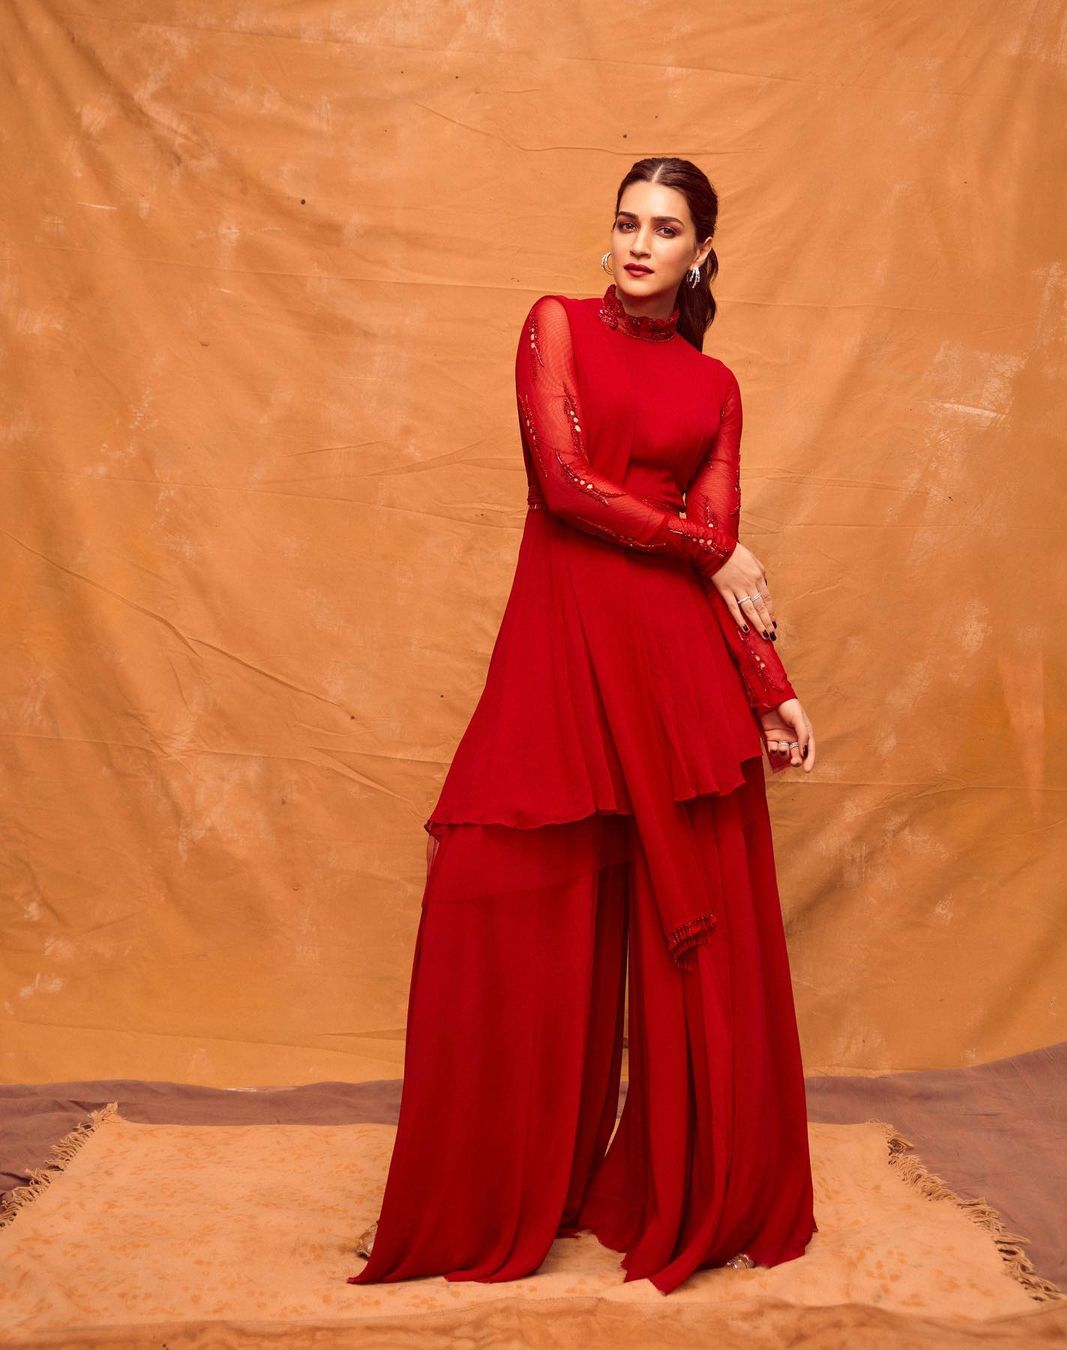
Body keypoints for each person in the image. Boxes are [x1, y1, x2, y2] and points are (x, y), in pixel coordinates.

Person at [347, 156, 818, 1296]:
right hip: (564, 644)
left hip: (673, 668)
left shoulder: (715, 386)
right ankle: (478, 1195)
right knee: (499, 887)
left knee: (695, 930)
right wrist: (710, 548)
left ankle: (693, 1191)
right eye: (626, 222)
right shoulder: (553, 324)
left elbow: (727, 569)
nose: (640, 244)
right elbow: (564, 484)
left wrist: (769, 686)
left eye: (666, 229)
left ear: (702, 253)